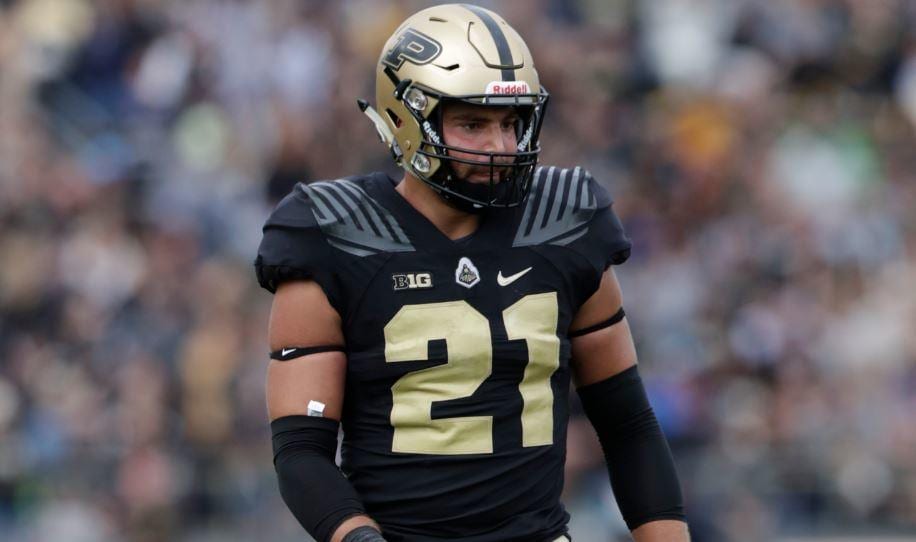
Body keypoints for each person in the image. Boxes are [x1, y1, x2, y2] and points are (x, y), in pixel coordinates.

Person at [255, 4, 688, 542]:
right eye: (472, 124)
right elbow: (301, 451)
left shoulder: (567, 221)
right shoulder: (334, 233)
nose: (500, 146)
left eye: (510, 123)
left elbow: (628, 426)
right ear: (405, 120)